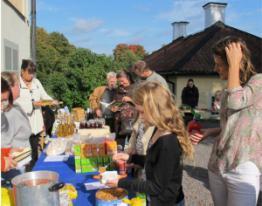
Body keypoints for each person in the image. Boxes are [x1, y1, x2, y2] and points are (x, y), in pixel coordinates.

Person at [190, 36, 261, 206]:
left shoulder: (259, 82)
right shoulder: (228, 89)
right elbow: (231, 125)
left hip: (243, 166)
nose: (215, 68)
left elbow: (237, 102)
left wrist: (235, 63)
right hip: (218, 164)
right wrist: (210, 131)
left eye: (219, 64)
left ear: (235, 63)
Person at [107, 82, 193, 206]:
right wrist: (132, 158)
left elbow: (155, 187)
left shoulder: (168, 143)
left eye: (142, 112)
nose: (140, 118)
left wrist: (120, 183)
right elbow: (155, 162)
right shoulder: (157, 129)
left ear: (154, 110)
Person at [15, 59, 58, 167]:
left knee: (34, 155)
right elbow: (14, 104)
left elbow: (44, 96)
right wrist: (32, 105)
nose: (31, 75)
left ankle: (32, 173)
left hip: (35, 126)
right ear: (22, 71)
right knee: (23, 157)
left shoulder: (36, 82)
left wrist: (52, 102)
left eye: (33, 72)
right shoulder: (16, 84)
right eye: (29, 72)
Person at [1, 72, 31, 148]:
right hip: (16, 157)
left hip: (23, 155)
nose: (20, 88)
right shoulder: (8, 111)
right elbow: (4, 143)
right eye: (18, 85)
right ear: (10, 87)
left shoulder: (15, 105)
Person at [112, 70, 138, 149]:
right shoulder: (118, 90)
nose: (121, 83)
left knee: (133, 146)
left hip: (132, 121)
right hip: (119, 122)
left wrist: (131, 100)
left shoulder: (137, 88)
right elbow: (117, 101)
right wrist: (114, 107)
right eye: (119, 82)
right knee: (118, 147)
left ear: (128, 78)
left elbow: (143, 104)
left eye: (122, 81)